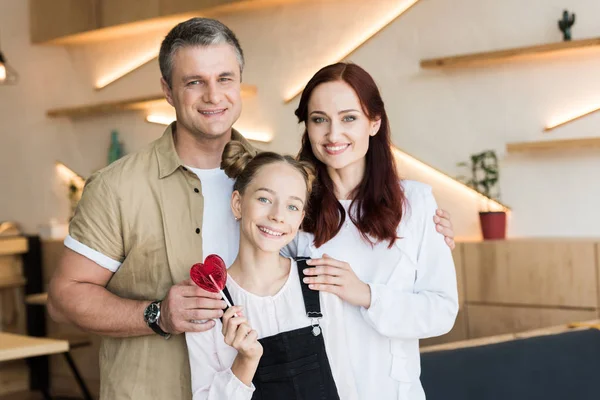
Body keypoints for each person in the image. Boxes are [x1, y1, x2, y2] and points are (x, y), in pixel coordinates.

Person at [46, 18, 456, 400]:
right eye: (194, 82)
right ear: (168, 91)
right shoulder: (119, 187)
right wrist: (157, 314)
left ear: (240, 82)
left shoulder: (277, 181)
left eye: (224, 78)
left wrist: (421, 234)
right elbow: (63, 298)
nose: (212, 95)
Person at [284, 62, 459, 400]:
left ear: (374, 122)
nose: (334, 135)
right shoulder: (292, 207)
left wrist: (366, 294)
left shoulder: (417, 203)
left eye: (349, 118)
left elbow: (441, 311)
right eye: (320, 119)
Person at [186, 141, 359, 399]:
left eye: (292, 206)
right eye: (265, 199)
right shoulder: (208, 304)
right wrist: (245, 361)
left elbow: (344, 384)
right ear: (237, 204)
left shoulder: (317, 282)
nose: (278, 215)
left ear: (300, 218)